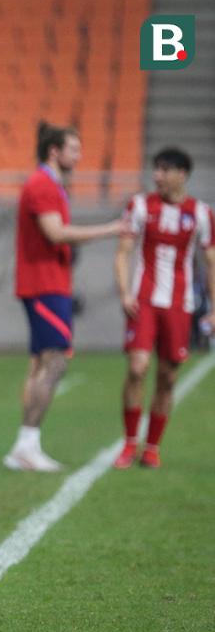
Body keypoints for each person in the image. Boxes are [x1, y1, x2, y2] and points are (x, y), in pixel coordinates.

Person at [3, 122, 126, 472]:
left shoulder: (50, 184)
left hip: (48, 283)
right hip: (45, 284)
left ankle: (24, 446)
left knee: (42, 364)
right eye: (74, 149)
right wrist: (112, 228)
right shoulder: (42, 184)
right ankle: (27, 442)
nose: (79, 156)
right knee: (55, 362)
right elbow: (55, 233)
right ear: (54, 151)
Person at [113, 148, 215, 469]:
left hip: (179, 306)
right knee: (137, 368)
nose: (157, 175)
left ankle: (152, 447)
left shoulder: (201, 213)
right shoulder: (141, 206)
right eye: (155, 169)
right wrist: (125, 291)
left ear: (182, 174)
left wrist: (212, 306)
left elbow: (210, 262)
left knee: (168, 378)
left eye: (164, 170)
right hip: (144, 302)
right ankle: (130, 444)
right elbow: (123, 251)